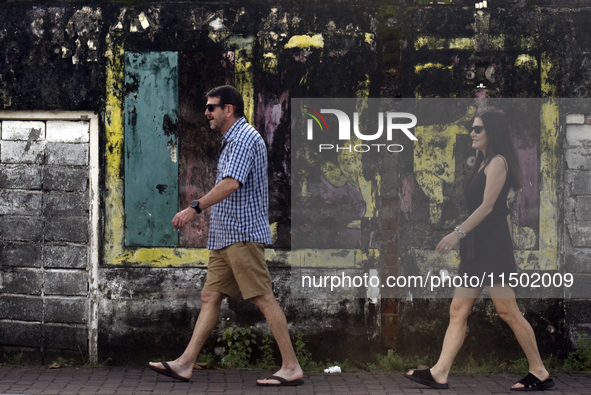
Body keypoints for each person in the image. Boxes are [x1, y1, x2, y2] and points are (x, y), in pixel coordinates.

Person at [148, 85, 304, 387]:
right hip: (226, 235)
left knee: (262, 297)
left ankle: (291, 366)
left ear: (228, 109)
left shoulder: (244, 139)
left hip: (241, 235)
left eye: (211, 107)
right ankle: (185, 363)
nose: (206, 113)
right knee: (210, 296)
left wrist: (194, 208)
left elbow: (231, 183)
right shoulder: (232, 139)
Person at [404, 111, 554, 391]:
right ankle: (440, 372)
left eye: (478, 129)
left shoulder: (498, 162)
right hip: (477, 249)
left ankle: (539, 370)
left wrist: (456, 233)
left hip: (492, 248)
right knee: (458, 309)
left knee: (507, 311)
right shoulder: (484, 163)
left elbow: (487, 208)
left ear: (492, 133)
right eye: (472, 128)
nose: (472, 133)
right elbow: (503, 211)